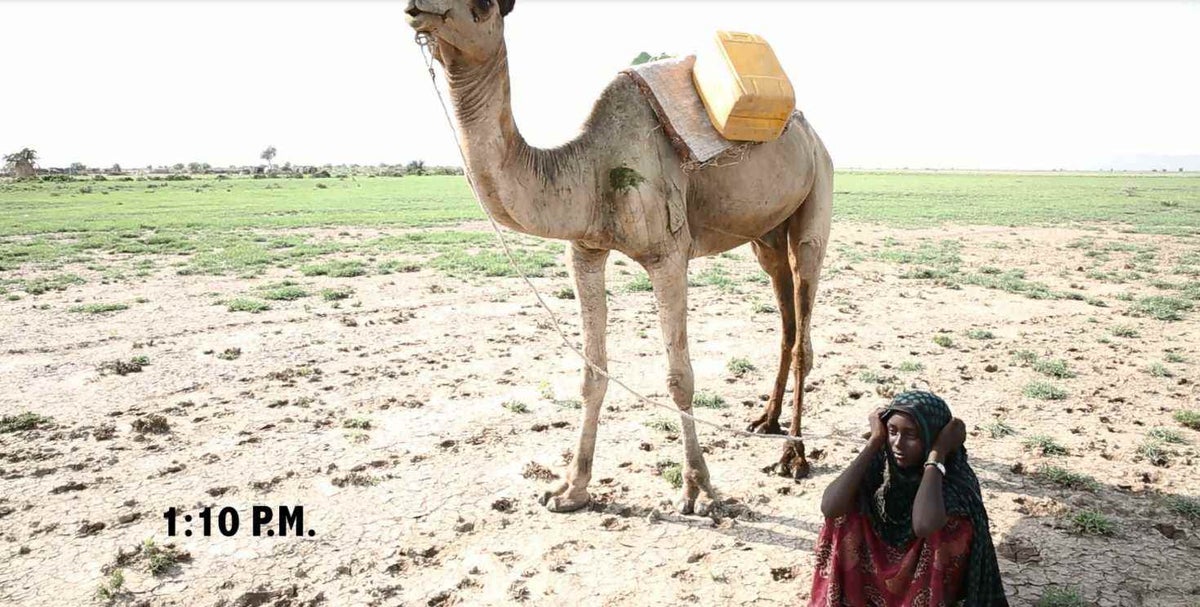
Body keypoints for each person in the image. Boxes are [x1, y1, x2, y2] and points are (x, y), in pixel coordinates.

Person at [809, 391, 1008, 606]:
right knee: (843, 515)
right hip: (872, 579)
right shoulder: (881, 462)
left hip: (921, 583)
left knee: (945, 530)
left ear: (932, 436)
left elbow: (924, 525)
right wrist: (874, 442)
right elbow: (830, 507)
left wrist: (936, 455)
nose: (898, 443)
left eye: (911, 435)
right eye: (892, 431)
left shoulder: (955, 477)